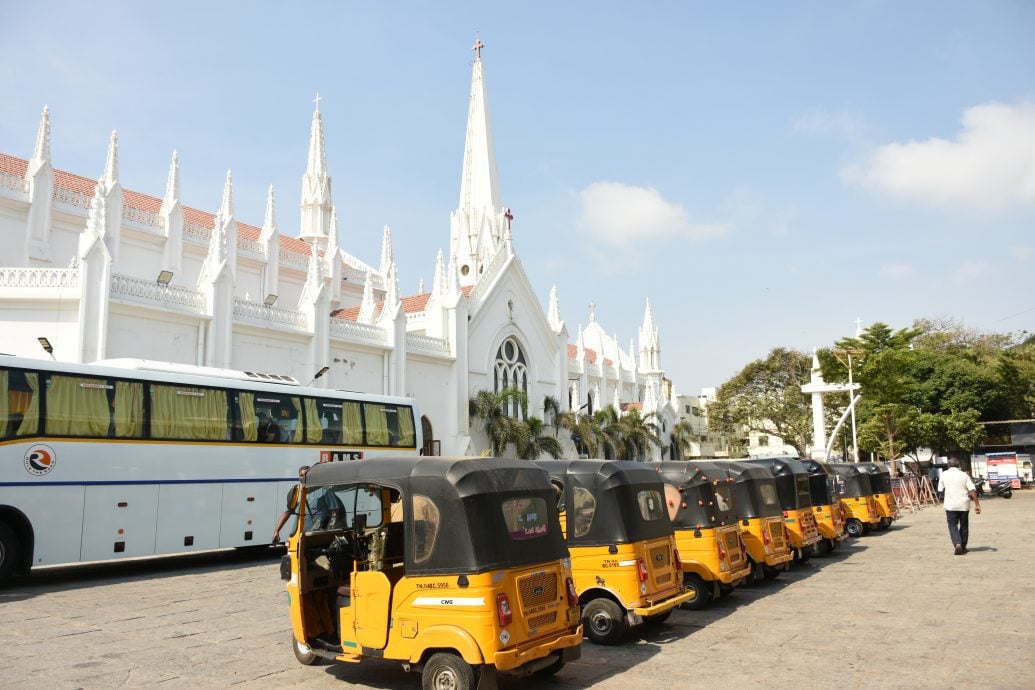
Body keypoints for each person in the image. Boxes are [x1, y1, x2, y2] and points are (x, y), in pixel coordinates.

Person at [937, 458, 981, 555]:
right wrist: (977, 504)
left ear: (948, 465)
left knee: (952, 525)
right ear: (958, 465)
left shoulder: (943, 474)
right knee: (964, 525)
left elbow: (940, 489)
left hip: (950, 505)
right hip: (964, 504)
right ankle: (963, 547)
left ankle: (957, 543)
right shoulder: (964, 475)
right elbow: (972, 490)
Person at [272, 465, 310, 543]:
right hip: (299, 532)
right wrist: (277, 531)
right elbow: (287, 512)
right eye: (301, 475)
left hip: (313, 532)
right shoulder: (296, 491)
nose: (303, 477)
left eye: (306, 475)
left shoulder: (322, 490)